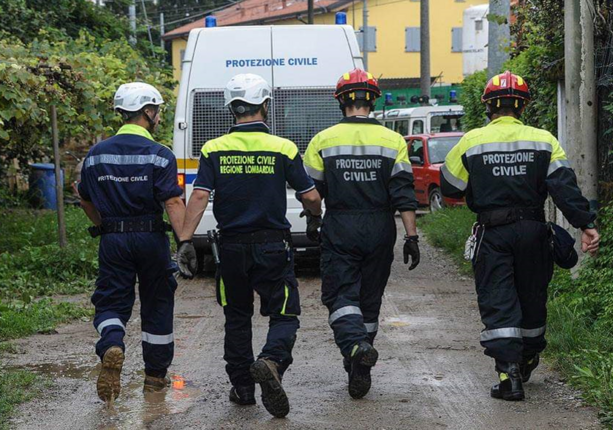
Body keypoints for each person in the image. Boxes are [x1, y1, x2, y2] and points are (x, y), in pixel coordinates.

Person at [440, 71, 601, 401]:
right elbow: (564, 189)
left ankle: (508, 375)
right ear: (523, 106)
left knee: (498, 298)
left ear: (488, 107)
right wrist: (586, 224)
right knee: (531, 296)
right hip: (533, 231)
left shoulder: (471, 141)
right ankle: (527, 357)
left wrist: (484, 181)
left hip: (493, 232)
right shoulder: (544, 140)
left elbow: (449, 186)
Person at [176, 74, 322, 418]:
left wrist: (184, 240)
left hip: (231, 250)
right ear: (265, 106)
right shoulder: (283, 148)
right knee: (285, 312)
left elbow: (199, 196)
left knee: (237, 317)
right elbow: (311, 196)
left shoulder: (213, 148)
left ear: (231, 107)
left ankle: (243, 388)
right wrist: (314, 218)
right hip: (273, 247)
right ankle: (271, 361)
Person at [302, 69, 420, 400]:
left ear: (341, 101)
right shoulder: (393, 141)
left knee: (340, 295)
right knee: (369, 300)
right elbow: (404, 195)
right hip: (381, 227)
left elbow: (312, 194)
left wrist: (314, 220)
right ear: (372, 101)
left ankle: (354, 346)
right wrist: (411, 237)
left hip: (341, 225)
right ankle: (359, 366)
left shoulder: (323, 140)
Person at [78, 82, 186, 404]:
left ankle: (112, 342)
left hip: (113, 240)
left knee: (111, 300)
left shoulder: (96, 155)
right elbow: (173, 203)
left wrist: (105, 226)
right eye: (156, 112)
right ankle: (154, 377)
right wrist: (184, 243)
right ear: (148, 112)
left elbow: (84, 199)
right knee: (157, 302)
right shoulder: (160, 155)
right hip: (151, 238)